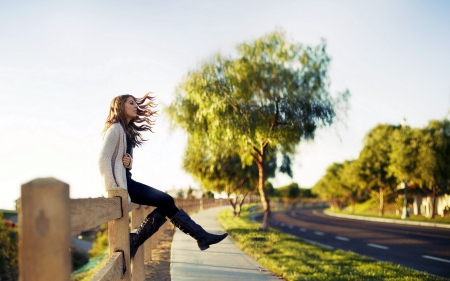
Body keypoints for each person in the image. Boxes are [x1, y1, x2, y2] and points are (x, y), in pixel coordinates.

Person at [98, 93, 228, 259]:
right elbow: (103, 160)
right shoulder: (115, 128)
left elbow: (119, 161)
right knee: (167, 201)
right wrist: (113, 190)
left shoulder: (125, 130)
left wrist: (128, 162)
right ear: (120, 106)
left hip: (126, 182)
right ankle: (199, 237)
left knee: (167, 202)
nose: (135, 106)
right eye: (131, 103)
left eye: (135, 103)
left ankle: (201, 237)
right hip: (123, 187)